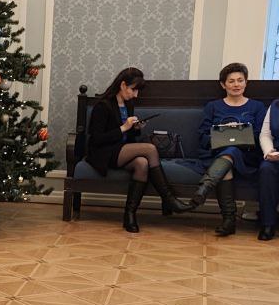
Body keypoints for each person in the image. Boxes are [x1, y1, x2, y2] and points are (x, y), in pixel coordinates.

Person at [85, 67, 189, 233]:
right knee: (150, 149)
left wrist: (135, 128)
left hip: (120, 150)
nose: (135, 95)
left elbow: (127, 136)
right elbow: (96, 139)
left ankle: (129, 215)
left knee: (142, 164)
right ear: (123, 85)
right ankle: (169, 200)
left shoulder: (128, 104)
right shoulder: (103, 106)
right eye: (133, 90)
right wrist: (123, 128)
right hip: (103, 153)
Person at [190, 63, 267, 236]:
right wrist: (222, 132)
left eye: (240, 80)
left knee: (231, 151)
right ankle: (228, 221)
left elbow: (260, 135)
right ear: (223, 85)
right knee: (228, 157)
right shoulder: (213, 106)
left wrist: (239, 132)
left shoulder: (257, 107)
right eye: (231, 81)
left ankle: (206, 187)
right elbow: (202, 136)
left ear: (246, 82)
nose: (236, 84)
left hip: (247, 156)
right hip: (216, 153)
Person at [257, 96, 279, 241]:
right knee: (266, 169)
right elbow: (265, 135)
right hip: (276, 155)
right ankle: (268, 223)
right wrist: (269, 152)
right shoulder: (276, 105)